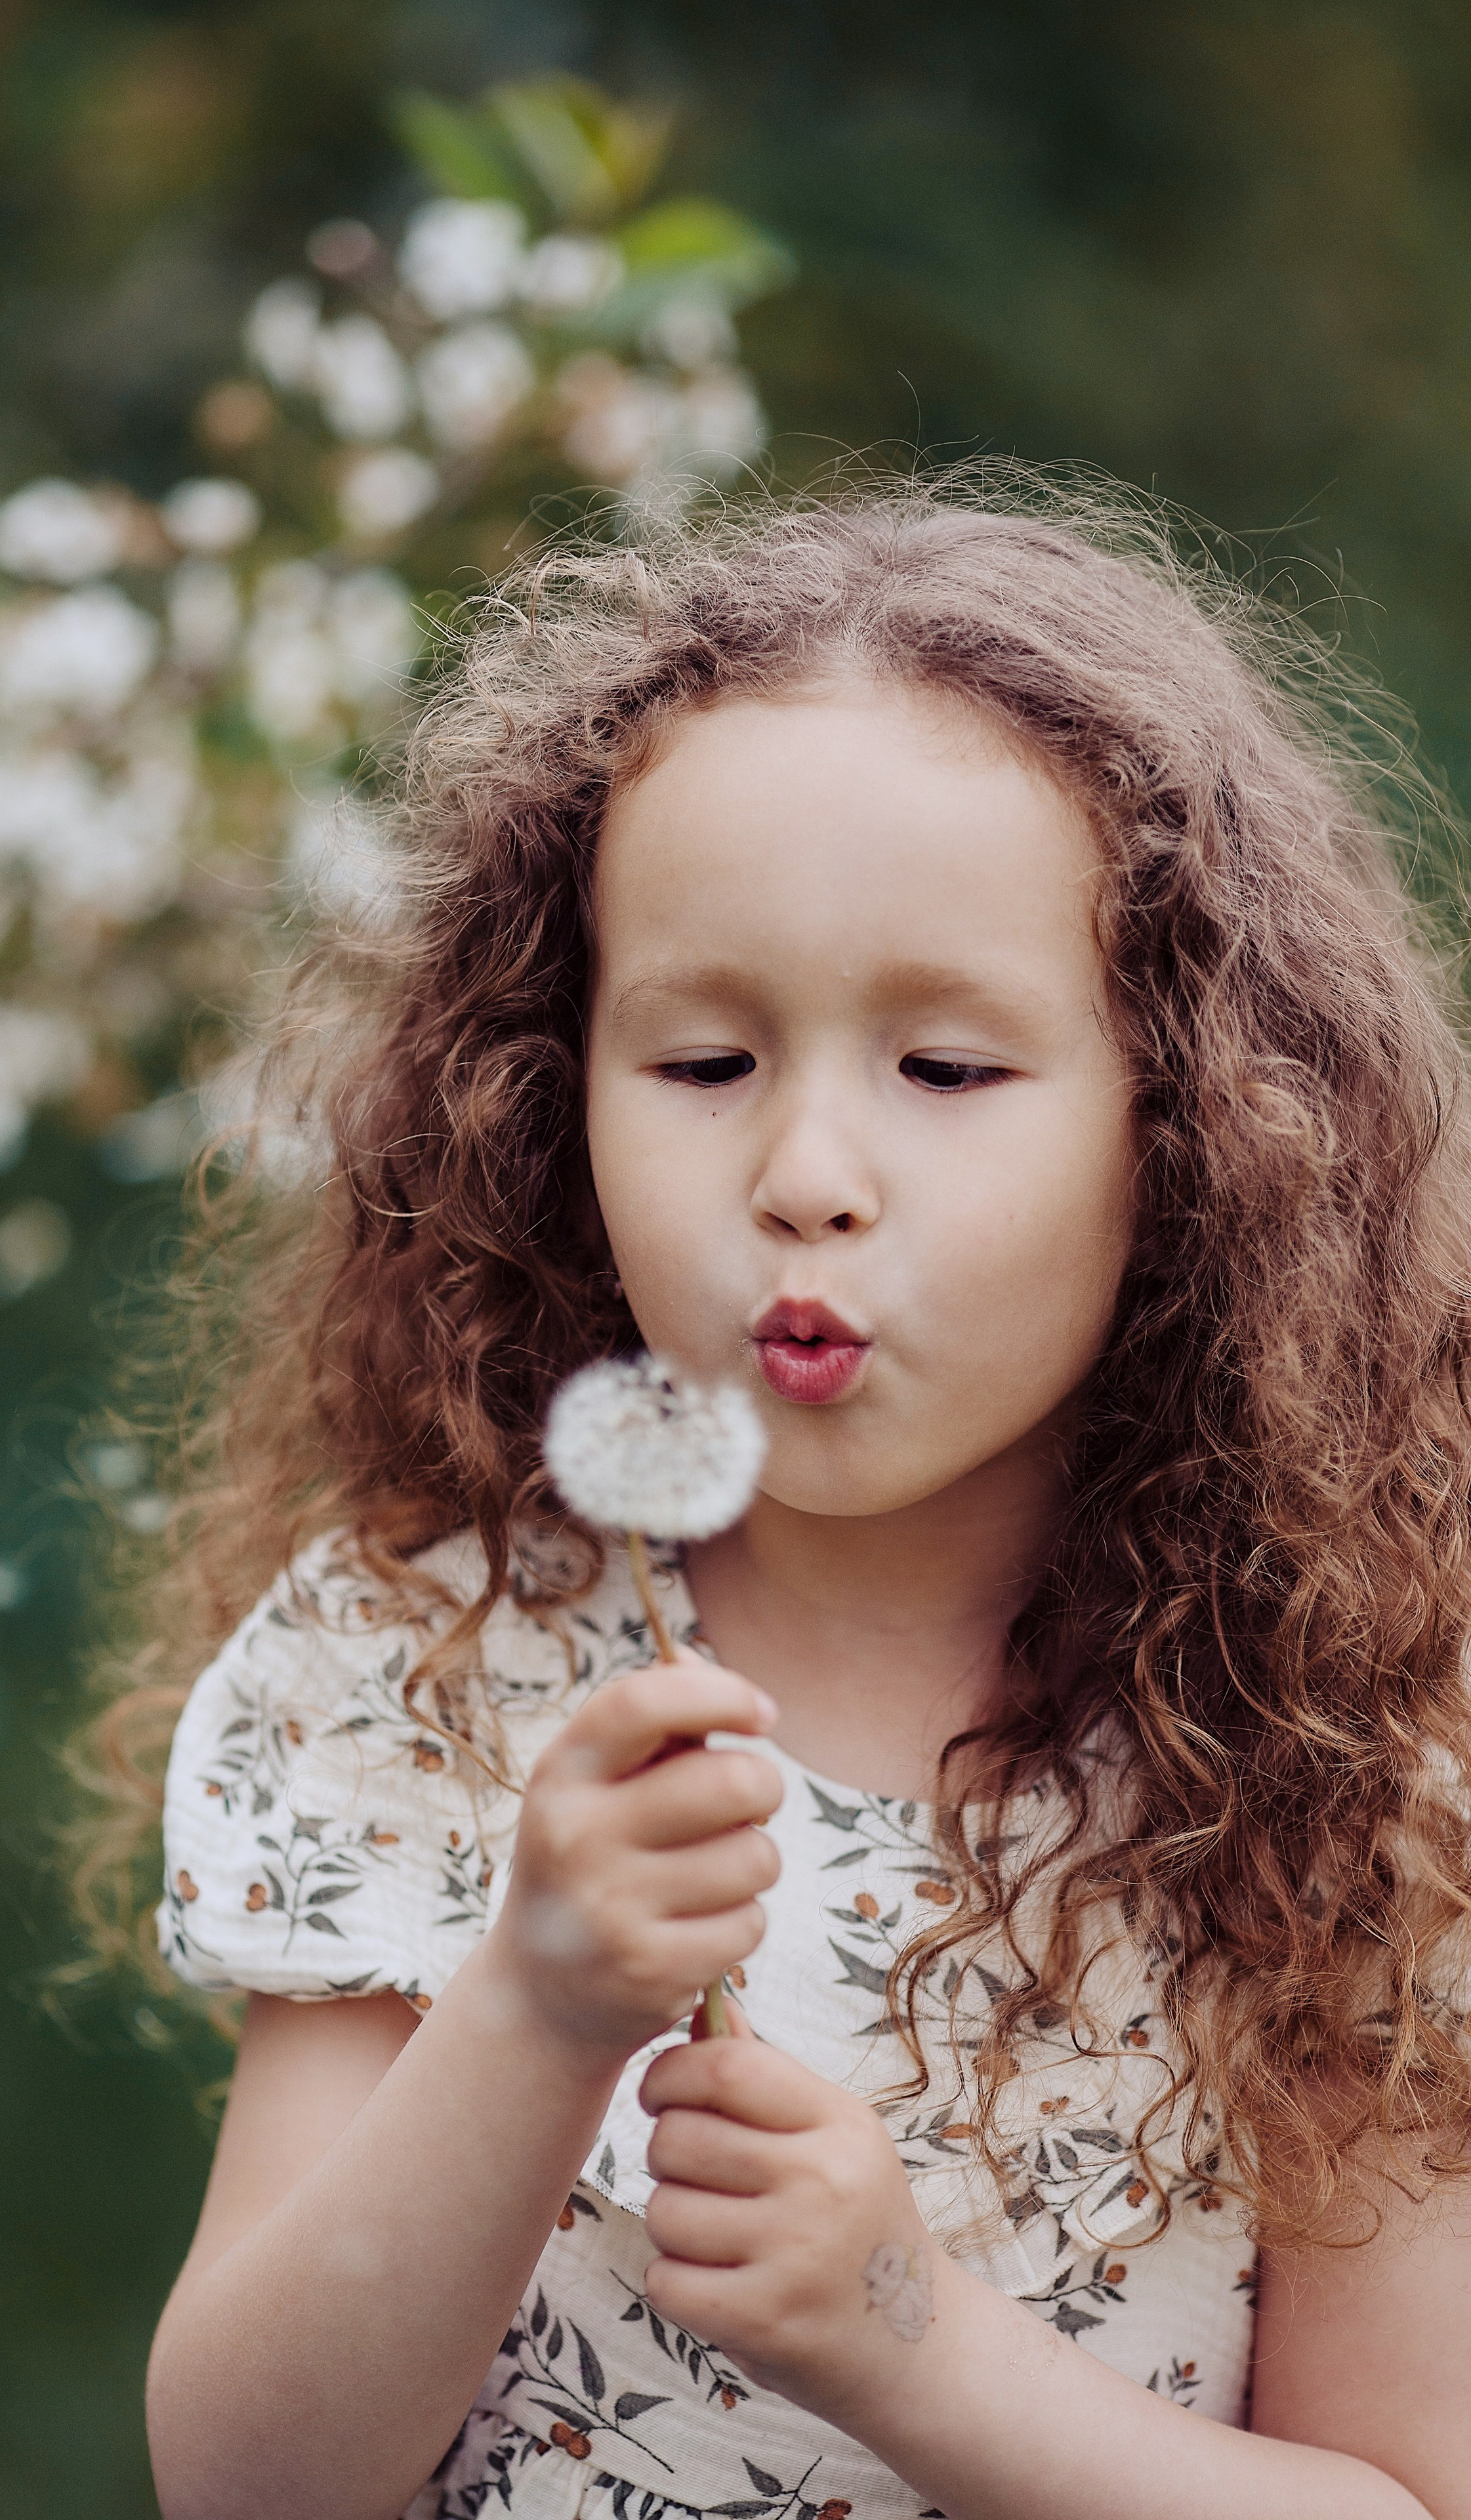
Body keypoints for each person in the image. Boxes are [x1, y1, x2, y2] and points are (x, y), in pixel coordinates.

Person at [114, 478, 1471, 2519]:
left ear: (1192, 1132)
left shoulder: (1345, 1759)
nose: (806, 1173)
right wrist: (537, 2010)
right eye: (703, 1062)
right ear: (550, 1097)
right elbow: (244, 2485)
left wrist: (910, 2338)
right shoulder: (420, 1669)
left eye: (944, 1070)